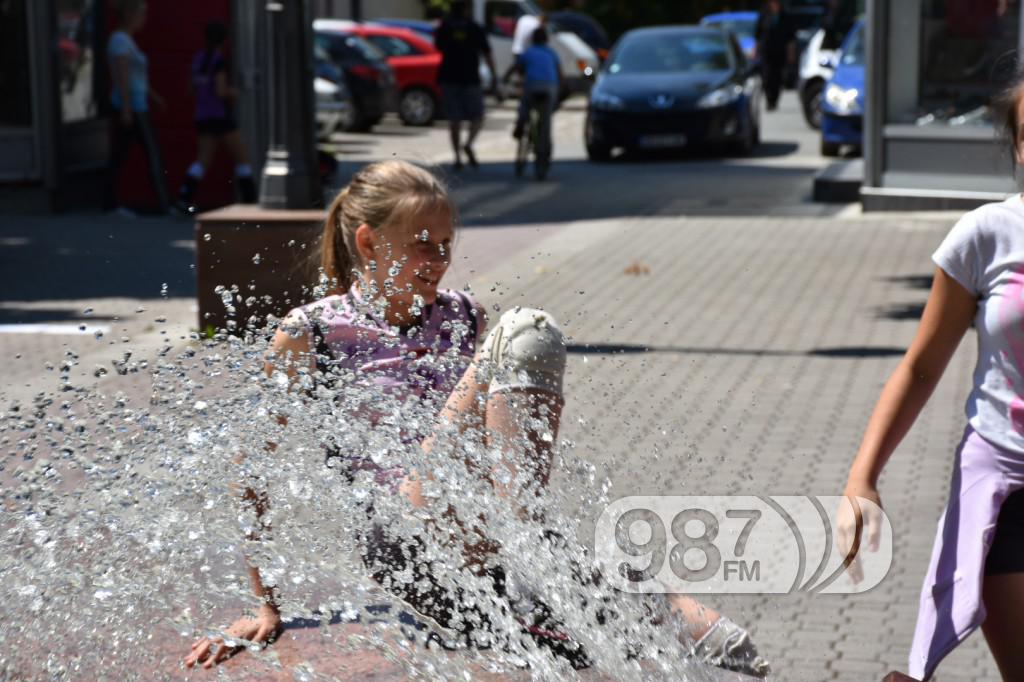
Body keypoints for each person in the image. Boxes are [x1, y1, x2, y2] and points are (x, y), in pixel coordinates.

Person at [183, 160, 770, 676]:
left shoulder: (464, 316)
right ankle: (530, 552)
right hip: (404, 534)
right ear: (367, 243)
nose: (438, 260)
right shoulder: (310, 330)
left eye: (445, 243)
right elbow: (252, 465)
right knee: (526, 329)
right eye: (421, 243)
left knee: (697, 626)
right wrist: (264, 603)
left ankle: (532, 552)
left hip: (478, 527)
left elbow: (490, 434)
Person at [838, 78, 1024, 681]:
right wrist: (863, 478)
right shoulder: (985, 237)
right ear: (1019, 148)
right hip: (1004, 490)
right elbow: (920, 367)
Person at [176, 20, 256, 212]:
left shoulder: (198, 59)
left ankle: (184, 196)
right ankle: (250, 200)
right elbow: (220, 91)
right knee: (242, 157)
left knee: (202, 159)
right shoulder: (218, 61)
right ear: (223, 40)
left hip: (202, 115)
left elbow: (190, 89)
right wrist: (233, 92)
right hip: (220, 116)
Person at [102, 0, 172, 216]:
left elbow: (136, 78)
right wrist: (126, 109)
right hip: (132, 108)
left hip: (136, 105)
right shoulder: (120, 41)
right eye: (142, 14)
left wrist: (155, 97)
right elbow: (123, 78)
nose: (144, 19)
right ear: (130, 14)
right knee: (151, 154)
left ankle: (111, 203)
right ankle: (164, 205)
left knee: (121, 155)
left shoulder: (127, 41)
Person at [434, 1, 500, 171]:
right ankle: (468, 144)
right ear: (466, 10)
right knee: (477, 117)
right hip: (470, 79)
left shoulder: (445, 27)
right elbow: (487, 53)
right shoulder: (474, 28)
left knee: (454, 120)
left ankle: (457, 156)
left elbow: (438, 47)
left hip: (449, 77)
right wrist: (494, 77)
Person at [510, 27, 561, 162]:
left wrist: (504, 79)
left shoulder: (529, 52)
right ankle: (544, 150)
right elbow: (561, 74)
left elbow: (516, 67)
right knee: (546, 120)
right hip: (550, 88)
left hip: (532, 86)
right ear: (546, 39)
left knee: (524, 106)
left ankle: (521, 123)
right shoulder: (551, 53)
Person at [754, 0, 795, 111]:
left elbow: (790, 38)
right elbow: (757, 35)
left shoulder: (785, 16)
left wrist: (791, 54)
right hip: (766, 51)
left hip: (780, 51)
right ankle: (769, 99)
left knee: (777, 77)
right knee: (767, 76)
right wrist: (755, 51)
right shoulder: (764, 15)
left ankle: (774, 100)